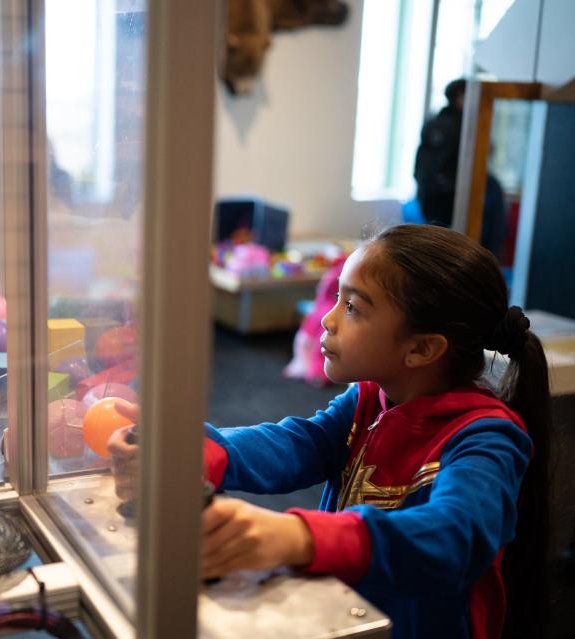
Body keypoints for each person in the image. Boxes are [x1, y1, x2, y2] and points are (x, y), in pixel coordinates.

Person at [108, 224, 550, 639]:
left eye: (353, 307)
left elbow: (453, 537)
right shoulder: (367, 400)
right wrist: (191, 453)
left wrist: (298, 538)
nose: (328, 319)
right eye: (337, 300)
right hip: (345, 614)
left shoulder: (486, 437)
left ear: (421, 348)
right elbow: (300, 443)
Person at [414, 79, 467, 228]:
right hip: (449, 199)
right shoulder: (463, 125)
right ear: (460, 96)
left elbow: (419, 161)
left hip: (427, 197)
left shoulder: (432, 122)